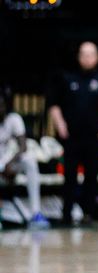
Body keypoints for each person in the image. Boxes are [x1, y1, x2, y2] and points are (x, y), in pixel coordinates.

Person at [48, 42, 98, 226]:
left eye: (90, 54)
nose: (87, 58)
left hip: (94, 139)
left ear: (97, 57)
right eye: (83, 54)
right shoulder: (68, 79)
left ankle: (88, 214)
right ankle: (66, 214)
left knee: (92, 177)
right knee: (69, 177)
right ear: (78, 56)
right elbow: (53, 103)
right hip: (72, 138)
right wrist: (60, 124)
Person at [0, 93, 50, 228]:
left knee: (29, 160)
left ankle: (36, 213)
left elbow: (23, 146)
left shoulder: (13, 118)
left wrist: (8, 164)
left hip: (8, 164)